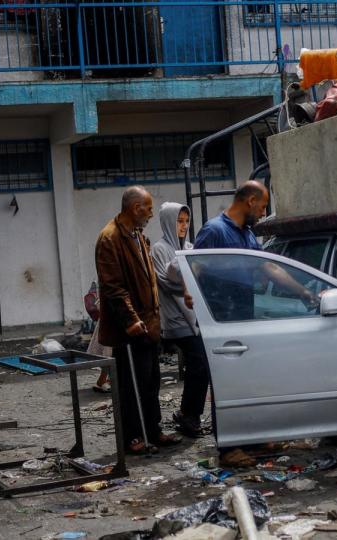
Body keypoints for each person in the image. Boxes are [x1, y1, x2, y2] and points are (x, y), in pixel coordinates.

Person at [95, 186, 182, 454]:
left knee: (150, 382)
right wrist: (131, 320)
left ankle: (152, 430)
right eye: (148, 209)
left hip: (149, 324)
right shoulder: (110, 239)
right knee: (130, 386)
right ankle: (133, 436)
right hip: (129, 329)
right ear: (135, 208)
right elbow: (114, 288)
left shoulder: (136, 235)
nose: (151, 214)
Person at [192, 181, 318, 321]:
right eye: (263, 207)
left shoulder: (248, 234)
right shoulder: (214, 230)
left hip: (243, 318)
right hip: (219, 320)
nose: (264, 214)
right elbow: (195, 266)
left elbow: (269, 267)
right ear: (251, 201)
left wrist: (304, 292)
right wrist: (188, 292)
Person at [151, 202, 210, 438]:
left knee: (200, 365)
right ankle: (188, 416)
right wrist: (185, 275)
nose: (184, 226)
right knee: (199, 363)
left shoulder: (188, 247)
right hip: (174, 317)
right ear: (168, 222)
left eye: (186, 221)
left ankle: (188, 414)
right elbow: (166, 282)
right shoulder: (159, 249)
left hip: (194, 317)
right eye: (179, 221)